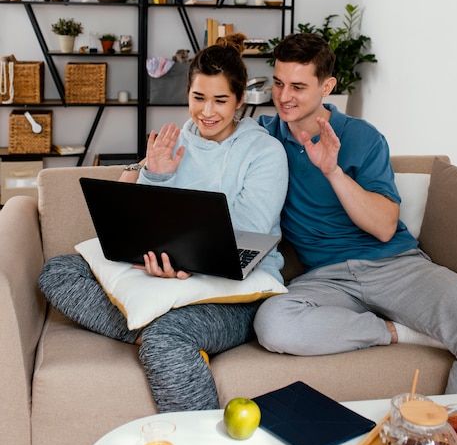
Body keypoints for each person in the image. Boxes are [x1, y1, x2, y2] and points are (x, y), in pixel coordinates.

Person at [38, 33, 288, 411]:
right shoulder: (176, 141)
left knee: (165, 339)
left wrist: (178, 262)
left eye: (220, 100)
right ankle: (155, 325)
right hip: (169, 274)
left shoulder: (265, 153)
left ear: (239, 101)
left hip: (239, 291)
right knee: (57, 272)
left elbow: (244, 238)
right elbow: (141, 214)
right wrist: (155, 175)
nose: (207, 111)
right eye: (198, 98)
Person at [253, 32, 457, 395]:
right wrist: (146, 168)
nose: (284, 97)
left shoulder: (362, 137)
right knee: (274, 325)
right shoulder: (263, 137)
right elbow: (208, 135)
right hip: (324, 279)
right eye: (278, 83)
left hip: (396, 266)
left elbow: (384, 228)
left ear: (327, 86)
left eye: (297, 86)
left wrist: (333, 171)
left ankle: (450, 441)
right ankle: (397, 331)